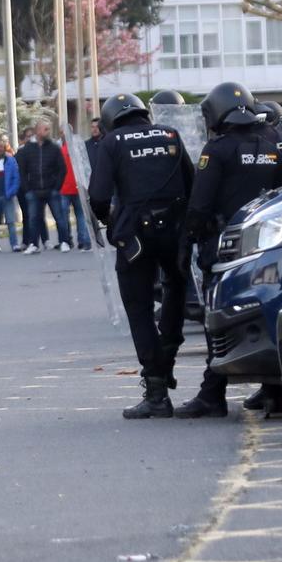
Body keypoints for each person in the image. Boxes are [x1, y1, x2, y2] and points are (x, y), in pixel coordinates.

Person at [176, 83, 282, 418]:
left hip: (225, 246)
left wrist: (187, 241)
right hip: (272, 243)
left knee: (218, 320)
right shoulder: (277, 143)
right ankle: (274, 389)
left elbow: (200, 203)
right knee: (268, 311)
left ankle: (212, 394)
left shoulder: (218, 150)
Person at [89, 93, 195, 420]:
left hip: (135, 234)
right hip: (175, 230)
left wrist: (109, 221)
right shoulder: (170, 135)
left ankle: (157, 391)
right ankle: (169, 353)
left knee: (139, 308)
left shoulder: (112, 143)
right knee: (177, 292)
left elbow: (98, 195)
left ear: (109, 119)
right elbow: (192, 182)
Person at [18, 121, 66, 254]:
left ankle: (64, 241)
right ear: (38, 131)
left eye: (48, 129)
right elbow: (22, 170)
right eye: (45, 129)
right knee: (33, 218)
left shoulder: (54, 148)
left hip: (51, 189)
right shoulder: (28, 149)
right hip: (33, 190)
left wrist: (57, 187)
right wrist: (27, 189)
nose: (48, 132)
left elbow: (62, 169)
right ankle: (33, 243)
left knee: (59, 217)